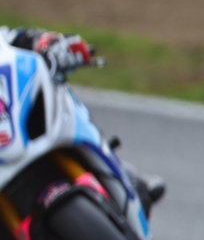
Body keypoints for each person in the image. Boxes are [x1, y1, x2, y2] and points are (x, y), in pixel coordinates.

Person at [1, 26, 165, 210]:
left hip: (14, 131)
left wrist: (48, 43)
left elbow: (10, 40)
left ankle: (121, 171)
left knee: (55, 95)